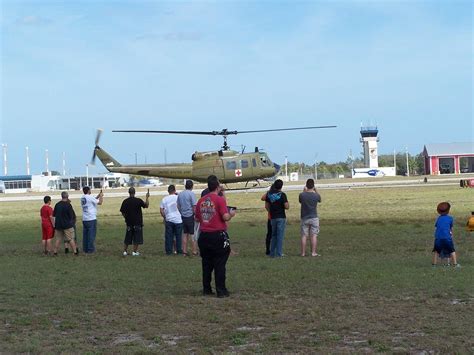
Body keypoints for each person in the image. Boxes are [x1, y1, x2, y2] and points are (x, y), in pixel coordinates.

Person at [195, 175, 236, 297]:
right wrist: (231, 214)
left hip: (204, 236)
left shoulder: (201, 201)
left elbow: (197, 218)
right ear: (217, 186)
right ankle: (221, 290)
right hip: (217, 235)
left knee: (206, 264)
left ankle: (206, 288)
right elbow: (225, 217)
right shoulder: (219, 200)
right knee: (219, 263)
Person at [120, 187, 150, 256]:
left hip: (129, 223)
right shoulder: (138, 200)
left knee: (127, 238)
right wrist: (147, 197)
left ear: (129, 192)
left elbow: (122, 212)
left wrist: (126, 218)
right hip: (137, 223)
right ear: (134, 192)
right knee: (137, 238)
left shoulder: (125, 201)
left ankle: (125, 251)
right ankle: (134, 251)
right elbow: (146, 205)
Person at [265, 179, 289, 258]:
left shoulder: (269, 195)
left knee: (274, 235)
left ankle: (272, 253)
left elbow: (267, 206)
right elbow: (286, 206)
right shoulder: (282, 195)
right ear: (281, 186)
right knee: (280, 236)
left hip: (273, 217)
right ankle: (279, 253)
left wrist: (271, 211)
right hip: (281, 217)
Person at [432, 202, 460, 267]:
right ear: (448, 210)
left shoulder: (438, 218)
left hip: (438, 238)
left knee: (436, 251)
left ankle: (434, 265)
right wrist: (451, 234)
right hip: (447, 238)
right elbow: (451, 228)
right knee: (452, 250)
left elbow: (436, 227)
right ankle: (455, 264)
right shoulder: (450, 218)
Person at [299, 179, 322, 257]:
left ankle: (303, 253)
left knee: (304, 236)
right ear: (313, 186)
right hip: (314, 217)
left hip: (304, 217)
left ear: (306, 185)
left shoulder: (302, 195)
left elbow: (300, 201)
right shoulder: (316, 195)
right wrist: (316, 190)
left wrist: (304, 191)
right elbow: (320, 199)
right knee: (314, 235)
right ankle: (313, 252)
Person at [53, 191, 79, 256]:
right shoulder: (68, 205)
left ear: (61, 196)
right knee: (70, 239)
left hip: (58, 225)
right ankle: (75, 251)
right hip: (67, 225)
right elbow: (71, 216)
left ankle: (55, 252)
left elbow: (54, 215)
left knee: (58, 239)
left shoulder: (57, 204)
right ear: (67, 196)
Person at [160, 185, 183, 255]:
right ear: (175, 190)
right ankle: (179, 250)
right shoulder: (178, 198)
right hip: (178, 220)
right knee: (179, 236)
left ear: (168, 191)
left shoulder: (164, 199)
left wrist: (165, 217)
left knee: (169, 237)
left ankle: (169, 251)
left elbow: (161, 210)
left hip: (169, 219)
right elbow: (181, 207)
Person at [80, 186, 103, 254]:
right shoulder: (90, 197)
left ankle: (85, 249)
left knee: (85, 235)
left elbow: (93, 200)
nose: (91, 191)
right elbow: (100, 202)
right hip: (91, 218)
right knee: (91, 235)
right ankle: (91, 249)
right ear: (88, 191)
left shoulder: (83, 197)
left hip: (85, 219)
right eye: (90, 190)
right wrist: (101, 196)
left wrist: (98, 195)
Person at [177, 180, 198, 256]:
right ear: (192, 186)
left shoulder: (180, 194)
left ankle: (184, 252)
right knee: (193, 234)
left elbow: (178, 206)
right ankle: (194, 251)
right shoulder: (191, 194)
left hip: (183, 216)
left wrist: (181, 213)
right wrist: (195, 215)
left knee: (185, 234)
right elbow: (194, 206)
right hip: (190, 216)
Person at [261, 184, 273, 255]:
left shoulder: (269, 195)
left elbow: (262, 198)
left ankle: (268, 250)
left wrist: (268, 193)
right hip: (274, 217)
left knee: (269, 234)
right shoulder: (278, 194)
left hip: (270, 217)